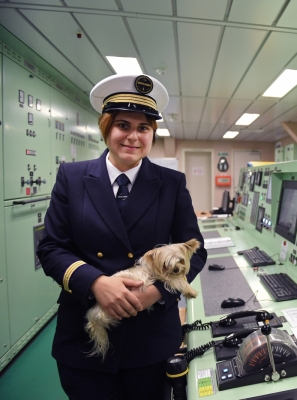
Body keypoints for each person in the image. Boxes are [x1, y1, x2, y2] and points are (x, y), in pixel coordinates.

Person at [36, 74, 207, 400]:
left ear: (152, 134)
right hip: (87, 334)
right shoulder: (72, 178)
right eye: (123, 125)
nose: (133, 136)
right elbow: (51, 247)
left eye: (143, 128)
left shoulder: (170, 183)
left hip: (151, 336)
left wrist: (156, 292)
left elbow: (195, 252)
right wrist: (97, 284)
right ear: (106, 129)